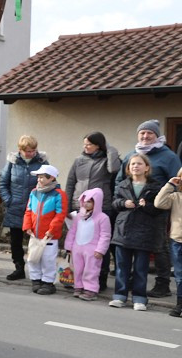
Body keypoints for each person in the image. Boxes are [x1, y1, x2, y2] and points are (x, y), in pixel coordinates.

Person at [117, 120, 181, 298]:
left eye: (149, 133)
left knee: (159, 244)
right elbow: (119, 180)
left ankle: (162, 283)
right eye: (142, 133)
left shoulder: (169, 157)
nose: (145, 136)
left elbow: (177, 182)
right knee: (130, 244)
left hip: (157, 209)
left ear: (157, 135)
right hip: (132, 210)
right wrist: (121, 199)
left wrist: (163, 203)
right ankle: (130, 281)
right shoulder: (132, 155)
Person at [65, 132, 121, 292]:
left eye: (89, 144)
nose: (85, 147)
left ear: (98, 145)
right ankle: (78, 280)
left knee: (98, 246)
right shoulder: (78, 161)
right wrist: (68, 207)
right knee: (79, 244)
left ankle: (100, 280)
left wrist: (109, 148)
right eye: (84, 144)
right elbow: (70, 183)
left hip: (102, 206)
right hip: (79, 205)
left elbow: (114, 168)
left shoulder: (106, 160)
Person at [109, 154, 164, 311]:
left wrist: (146, 205)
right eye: (132, 164)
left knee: (141, 268)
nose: (135, 166)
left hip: (144, 231)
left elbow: (160, 208)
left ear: (147, 167)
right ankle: (120, 296)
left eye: (139, 164)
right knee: (122, 266)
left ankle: (139, 298)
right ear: (128, 168)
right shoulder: (123, 185)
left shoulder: (155, 187)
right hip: (123, 230)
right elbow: (114, 203)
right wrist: (123, 203)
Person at [0, 135, 49, 281]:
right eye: (27, 151)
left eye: (33, 150)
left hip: (35, 210)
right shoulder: (12, 162)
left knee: (37, 241)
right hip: (16, 208)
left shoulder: (42, 162)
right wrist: (9, 200)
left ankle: (38, 273)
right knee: (15, 241)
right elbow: (3, 184)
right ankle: (19, 268)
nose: (31, 153)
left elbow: (50, 182)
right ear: (20, 150)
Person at [22, 164, 68, 296]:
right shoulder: (34, 192)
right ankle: (35, 280)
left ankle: (48, 282)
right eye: (38, 177)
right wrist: (27, 226)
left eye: (42, 177)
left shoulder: (59, 194)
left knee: (48, 259)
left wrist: (52, 230)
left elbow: (60, 214)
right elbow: (29, 210)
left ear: (51, 178)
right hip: (34, 234)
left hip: (49, 236)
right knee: (33, 258)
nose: (39, 180)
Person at [65, 188, 111, 302]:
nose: (86, 203)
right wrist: (69, 246)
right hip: (77, 248)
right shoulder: (78, 216)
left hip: (92, 250)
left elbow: (105, 235)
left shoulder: (102, 218)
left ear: (97, 202)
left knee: (91, 269)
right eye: (84, 200)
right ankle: (78, 286)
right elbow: (72, 231)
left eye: (90, 201)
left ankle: (90, 289)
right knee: (78, 268)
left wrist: (100, 249)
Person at [153, 166, 182, 317]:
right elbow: (159, 203)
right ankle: (180, 304)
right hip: (177, 240)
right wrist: (170, 185)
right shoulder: (176, 197)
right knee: (179, 274)